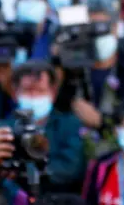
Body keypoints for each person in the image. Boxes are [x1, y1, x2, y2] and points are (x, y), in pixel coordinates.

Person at [9, 60, 85, 192]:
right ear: (15, 93)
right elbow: (1, 171)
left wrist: (27, 173)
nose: (33, 96)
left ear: (53, 93)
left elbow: (71, 168)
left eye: (40, 91)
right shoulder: (4, 128)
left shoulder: (70, 125)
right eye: (27, 90)